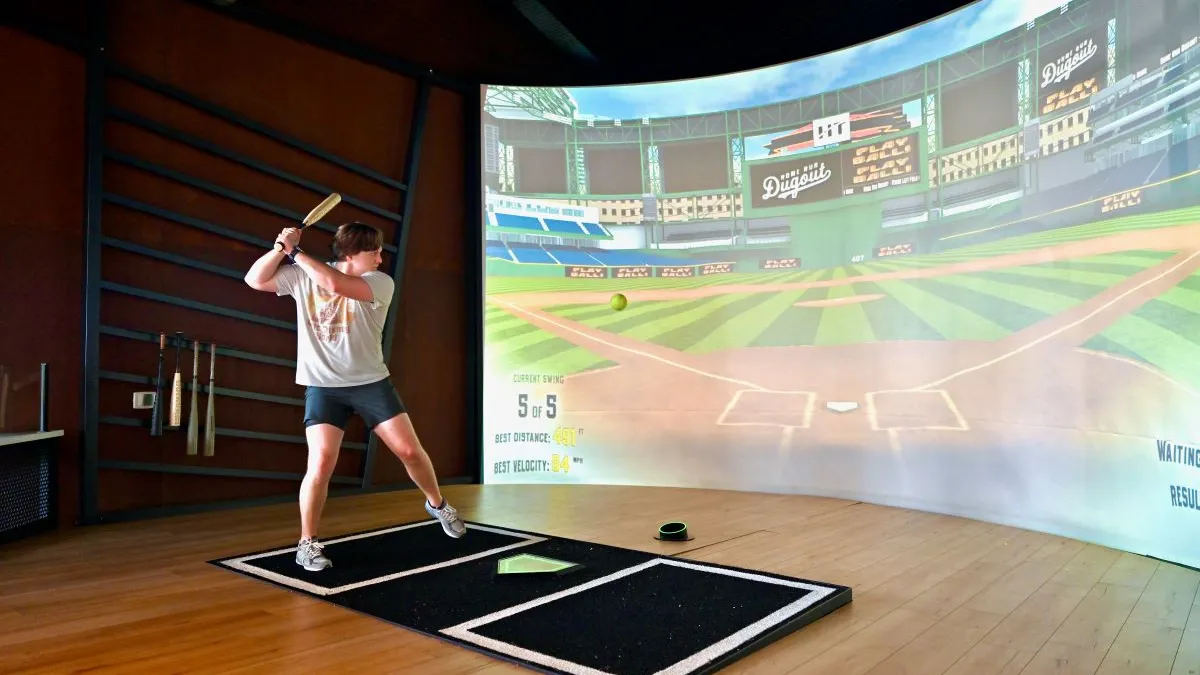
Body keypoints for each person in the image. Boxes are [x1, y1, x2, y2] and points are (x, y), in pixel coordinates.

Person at [243, 221, 466, 571]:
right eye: (373, 251)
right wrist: (279, 249)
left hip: (370, 383)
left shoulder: (379, 282)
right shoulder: (301, 276)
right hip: (323, 387)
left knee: (409, 450)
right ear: (349, 254)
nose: (381, 257)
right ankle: (307, 544)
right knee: (319, 463)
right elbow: (254, 280)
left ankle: (437, 505)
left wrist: (296, 252)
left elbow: (333, 283)